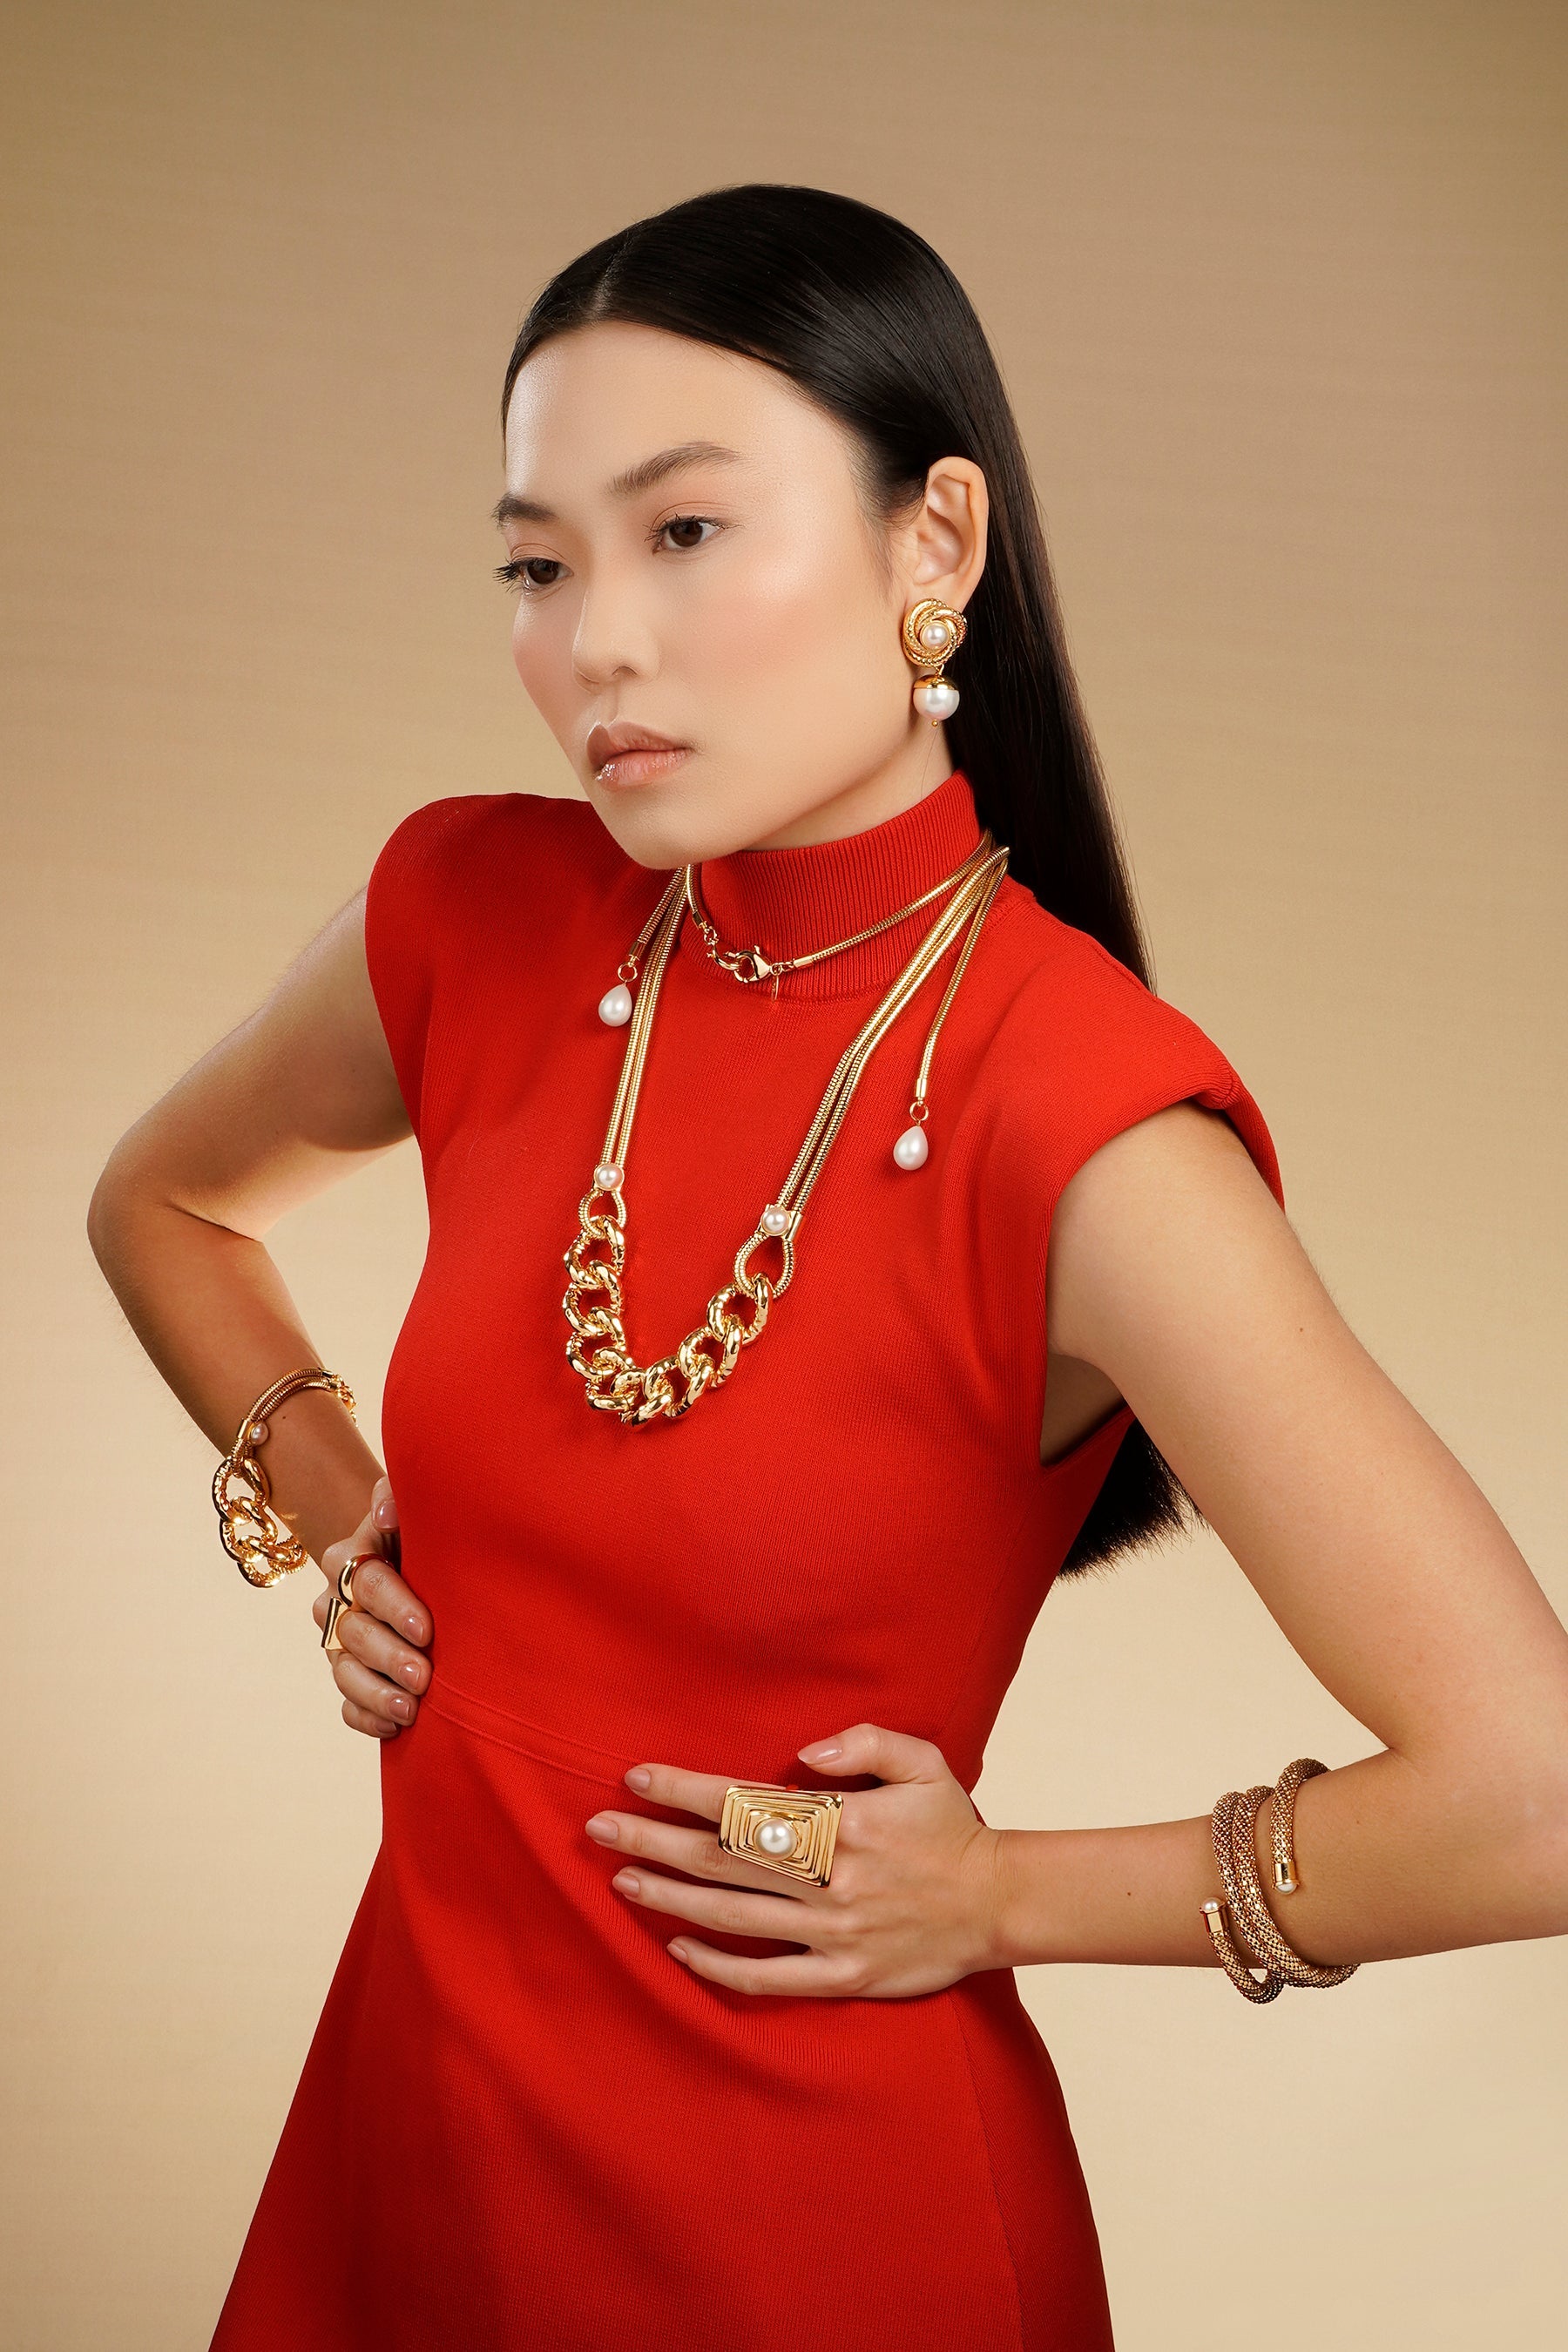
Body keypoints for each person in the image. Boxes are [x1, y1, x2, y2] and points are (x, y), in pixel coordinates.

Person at [87, 184, 1568, 2352]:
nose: (599, 640)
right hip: (411, 2154)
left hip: (818, 2241)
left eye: (686, 531)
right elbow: (161, 1203)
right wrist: (346, 1517)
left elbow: (1532, 1800)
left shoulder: (1083, 1125)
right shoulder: (470, 915)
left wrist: (998, 1895)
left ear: (932, 546)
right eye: (538, 564)